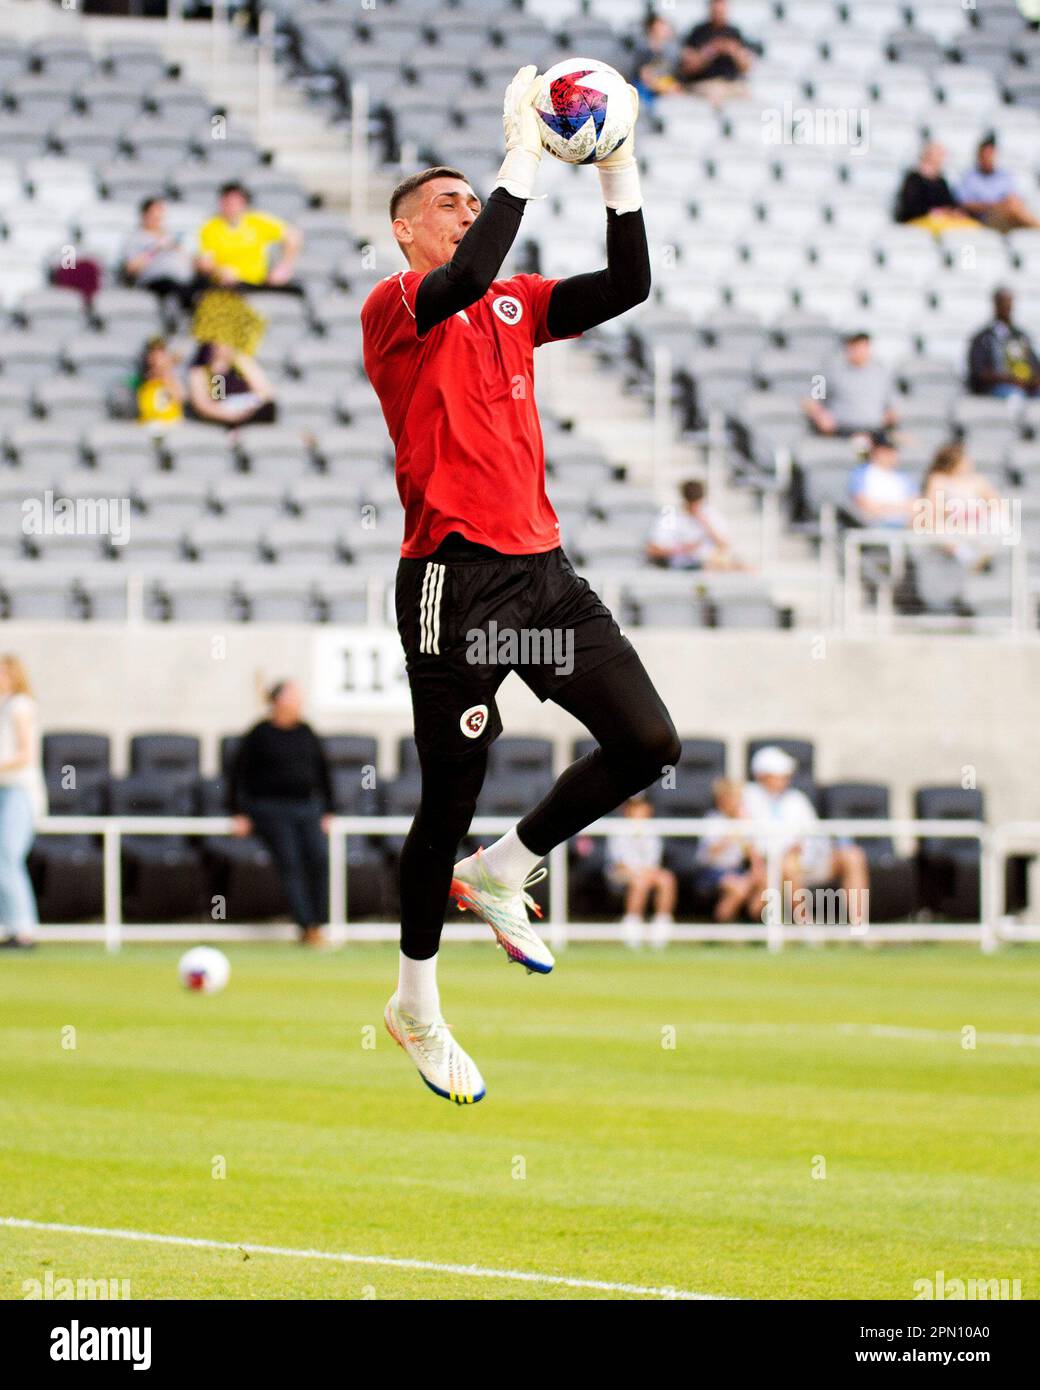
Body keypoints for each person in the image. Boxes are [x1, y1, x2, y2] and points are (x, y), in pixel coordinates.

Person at [361, 67, 680, 1105]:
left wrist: (617, 171)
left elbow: (625, 286)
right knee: (444, 798)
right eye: (445, 202)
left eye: (471, 197)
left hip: (542, 580)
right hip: (452, 587)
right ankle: (415, 1000)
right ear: (408, 231)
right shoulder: (400, 302)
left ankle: (506, 865)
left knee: (647, 743)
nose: (466, 210)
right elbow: (465, 276)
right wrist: (520, 160)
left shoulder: (511, 300)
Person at [228, 680, 332, 947]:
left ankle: (319, 922)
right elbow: (238, 774)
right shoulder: (259, 734)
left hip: (306, 807)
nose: (298, 703)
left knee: (319, 857)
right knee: (290, 861)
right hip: (270, 809)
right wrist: (238, 812)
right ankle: (306, 926)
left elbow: (323, 771)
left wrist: (328, 810)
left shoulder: (306, 732)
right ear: (276, 702)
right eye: (292, 697)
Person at [743, 747, 867, 930]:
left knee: (853, 856)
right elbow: (751, 841)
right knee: (788, 864)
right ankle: (806, 927)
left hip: (809, 862)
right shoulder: (748, 797)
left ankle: (860, 928)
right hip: (776, 866)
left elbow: (816, 836)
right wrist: (787, 851)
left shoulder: (797, 799)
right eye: (778, 775)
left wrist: (805, 850)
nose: (785, 779)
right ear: (762, 775)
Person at [0, 656, 47, 950]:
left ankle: (24, 930)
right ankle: (11, 927)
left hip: (19, 792)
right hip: (4, 790)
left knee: (8, 855)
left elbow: (25, 754)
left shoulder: (20, 706)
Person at [197, 181, 303, 292]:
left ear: (244, 203)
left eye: (236, 202)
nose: (231, 206)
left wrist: (284, 267)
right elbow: (204, 261)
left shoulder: (257, 221)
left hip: (258, 282)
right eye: (227, 201)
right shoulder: (210, 227)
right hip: (226, 285)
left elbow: (293, 235)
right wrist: (219, 270)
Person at [605, 793, 676, 948]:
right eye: (635, 807)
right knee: (639, 882)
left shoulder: (653, 830)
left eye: (642, 806)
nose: (639, 811)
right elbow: (619, 862)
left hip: (647, 872)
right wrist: (638, 873)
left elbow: (654, 861)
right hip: (621, 873)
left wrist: (646, 872)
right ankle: (632, 928)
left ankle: (661, 928)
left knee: (666, 879)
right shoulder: (618, 829)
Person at [802, 332, 899, 441]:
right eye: (856, 346)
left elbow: (892, 407)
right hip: (843, 430)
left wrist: (888, 420)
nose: (860, 350)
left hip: (874, 431)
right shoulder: (831, 371)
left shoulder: (881, 373)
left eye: (864, 346)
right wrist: (820, 416)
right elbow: (811, 400)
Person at [920, 441, 1002, 568]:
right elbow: (931, 513)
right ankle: (965, 555)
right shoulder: (938, 480)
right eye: (964, 460)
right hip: (950, 532)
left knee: (999, 519)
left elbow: (997, 504)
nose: (968, 463)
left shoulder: (977, 481)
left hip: (974, 530)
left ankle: (980, 555)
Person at [694, 778, 762, 923]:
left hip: (736, 869)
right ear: (721, 800)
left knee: (765, 881)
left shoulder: (743, 822)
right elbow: (710, 854)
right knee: (738, 888)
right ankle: (719, 928)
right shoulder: (712, 820)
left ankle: (755, 924)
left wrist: (757, 871)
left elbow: (751, 853)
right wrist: (733, 831)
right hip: (712, 871)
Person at [122, 196, 201, 312]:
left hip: (181, 279)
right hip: (156, 280)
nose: (158, 216)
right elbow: (131, 268)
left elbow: (188, 260)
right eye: (155, 212)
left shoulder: (170, 236)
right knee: (176, 289)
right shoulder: (136, 238)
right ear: (145, 215)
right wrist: (155, 250)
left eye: (160, 212)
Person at [646, 478, 745, 570]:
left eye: (697, 503)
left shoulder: (710, 514)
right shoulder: (670, 514)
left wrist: (705, 523)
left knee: (742, 567)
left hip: (711, 561)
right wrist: (684, 549)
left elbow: (725, 545)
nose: (695, 507)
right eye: (692, 503)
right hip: (684, 564)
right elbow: (653, 549)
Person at [956, 134, 1040, 234]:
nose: (988, 158)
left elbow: (1014, 198)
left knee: (1014, 204)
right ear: (979, 156)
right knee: (1013, 207)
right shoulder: (968, 177)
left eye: (990, 155)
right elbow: (965, 204)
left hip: (1007, 215)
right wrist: (994, 206)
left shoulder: (1004, 175)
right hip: (985, 219)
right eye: (985, 155)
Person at [679, 0, 756, 106]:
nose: (719, 12)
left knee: (749, 101)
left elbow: (746, 67)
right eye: (716, 9)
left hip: (731, 83)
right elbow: (688, 68)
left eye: (722, 9)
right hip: (706, 83)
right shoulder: (698, 32)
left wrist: (733, 51)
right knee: (715, 96)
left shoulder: (734, 32)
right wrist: (711, 51)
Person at [968, 288, 1040, 399]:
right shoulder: (982, 338)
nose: (1007, 307)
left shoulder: (1021, 336)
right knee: (1015, 396)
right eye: (1003, 303)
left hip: (1025, 387)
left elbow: (1035, 365)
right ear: (995, 305)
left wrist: (1032, 381)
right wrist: (1010, 379)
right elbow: (979, 372)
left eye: (1009, 303)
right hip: (997, 388)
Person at [186, 340, 276, 427]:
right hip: (219, 414)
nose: (221, 346)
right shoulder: (200, 370)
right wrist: (232, 416)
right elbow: (203, 405)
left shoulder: (240, 361)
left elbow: (265, 393)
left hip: (246, 410)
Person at [894, 143, 979, 233]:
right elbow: (911, 207)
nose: (942, 159)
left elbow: (949, 203)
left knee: (971, 227)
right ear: (928, 155)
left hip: (941, 220)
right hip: (919, 221)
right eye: (939, 155)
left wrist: (953, 212)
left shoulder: (941, 180)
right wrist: (935, 212)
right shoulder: (913, 179)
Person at [849, 437, 916, 528]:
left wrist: (885, 508)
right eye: (885, 451)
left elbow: (914, 505)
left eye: (892, 451)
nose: (890, 455)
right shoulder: (861, 474)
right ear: (876, 452)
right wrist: (898, 509)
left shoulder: (904, 478)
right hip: (872, 525)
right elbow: (864, 504)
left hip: (905, 525)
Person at [630, 12, 681, 106]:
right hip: (645, 91)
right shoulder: (642, 48)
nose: (664, 29)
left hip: (666, 88)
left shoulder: (673, 50)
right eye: (660, 25)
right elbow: (644, 75)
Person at [136, 337, 184, 426]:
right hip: (146, 424)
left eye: (160, 354)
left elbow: (179, 398)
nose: (156, 358)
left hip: (170, 424)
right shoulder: (141, 379)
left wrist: (166, 372)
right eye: (152, 353)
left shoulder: (172, 378)